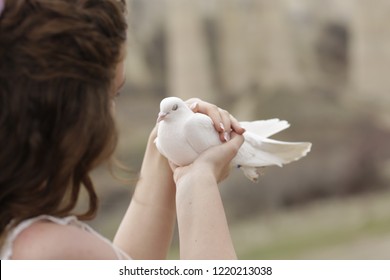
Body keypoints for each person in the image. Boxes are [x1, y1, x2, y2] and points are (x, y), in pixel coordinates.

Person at [0, 0, 245, 260]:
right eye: (113, 94)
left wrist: (166, 148)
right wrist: (199, 183)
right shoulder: (47, 250)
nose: (112, 113)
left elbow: (124, 265)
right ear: (69, 108)